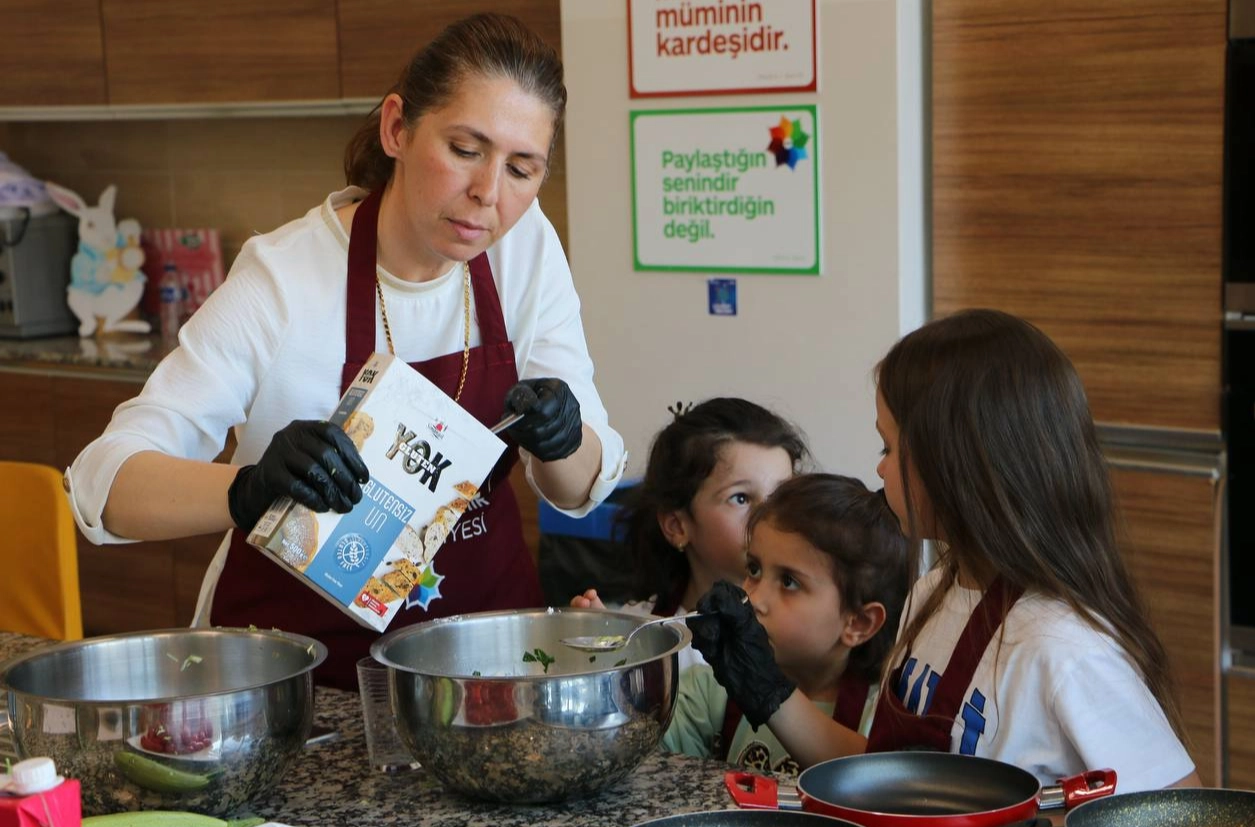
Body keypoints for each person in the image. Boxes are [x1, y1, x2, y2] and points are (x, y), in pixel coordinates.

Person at [63, 13, 626, 690]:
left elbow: (577, 489)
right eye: (465, 149)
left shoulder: (522, 245)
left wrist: (564, 437)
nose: (489, 194)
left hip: (482, 672)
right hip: (295, 675)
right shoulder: (283, 276)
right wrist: (248, 490)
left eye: (521, 167)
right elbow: (104, 484)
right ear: (397, 128)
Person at [691, 309, 1201, 795]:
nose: (880, 471)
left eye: (888, 449)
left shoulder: (1061, 648)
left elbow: (1175, 809)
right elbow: (890, 785)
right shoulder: (936, 591)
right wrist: (769, 692)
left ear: (956, 464)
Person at [663, 474, 911, 774]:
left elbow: (881, 787)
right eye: (754, 569)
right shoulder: (711, 691)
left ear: (858, 623)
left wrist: (769, 691)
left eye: (789, 582)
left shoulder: (884, 716)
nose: (754, 599)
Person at [568, 397, 806, 670]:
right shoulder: (641, 633)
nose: (768, 517)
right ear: (677, 526)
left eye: (781, 496)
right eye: (741, 499)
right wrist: (613, 660)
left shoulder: (804, 630)